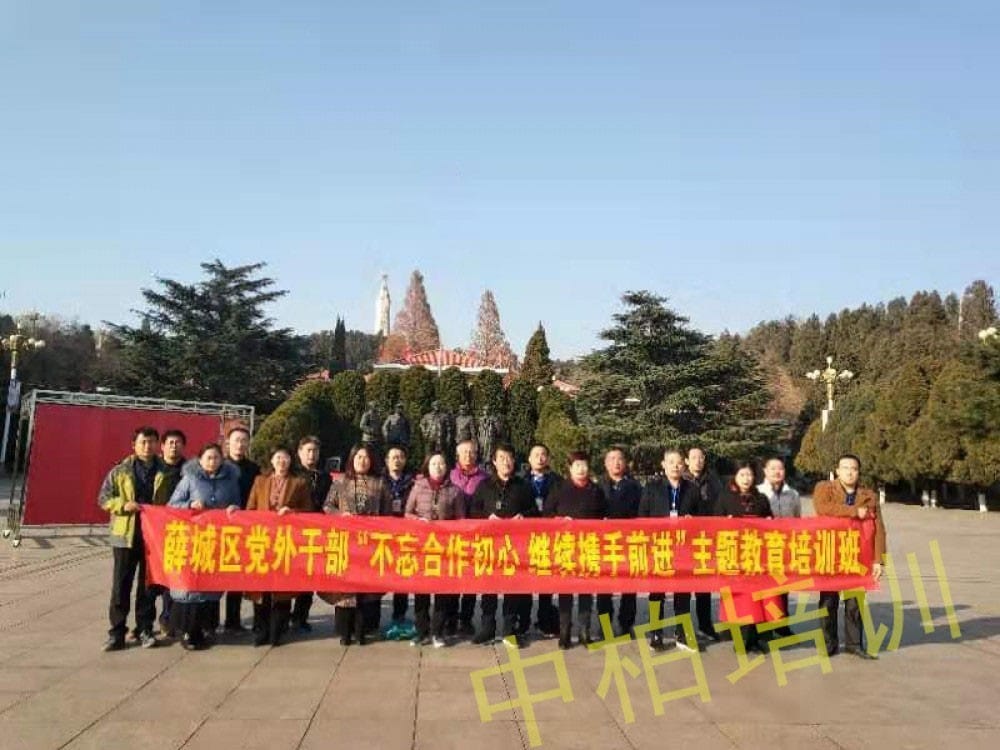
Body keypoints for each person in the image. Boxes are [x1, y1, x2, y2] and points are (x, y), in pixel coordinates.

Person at [98, 426, 171, 652]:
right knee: (121, 586)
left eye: (151, 442)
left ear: (157, 444)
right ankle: (117, 632)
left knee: (148, 587)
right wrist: (123, 505)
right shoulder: (120, 470)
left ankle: (145, 629)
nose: (147, 446)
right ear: (134, 445)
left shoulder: (165, 471)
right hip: (125, 536)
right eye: (143, 442)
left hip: (153, 537)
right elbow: (104, 498)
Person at [168, 443, 242, 650]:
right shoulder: (190, 479)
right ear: (199, 460)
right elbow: (172, 505)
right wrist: (189, 505)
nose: (212, 461)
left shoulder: (230, 480)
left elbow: (237, 504)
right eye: (208, 457)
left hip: (216, 539)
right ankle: (187, 631)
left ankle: (207, 628)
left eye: (216, 458)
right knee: (191, 586)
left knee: (211, 586)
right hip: (192, 540)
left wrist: (234, 508)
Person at [814, 454, 886, 660]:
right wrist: (854, 511)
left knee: (855, 602)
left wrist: (878, 560)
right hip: (830, 553)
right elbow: (823, 508)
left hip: (857, 555)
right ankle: (829, 644)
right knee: (828, 601)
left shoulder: (869, 496)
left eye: (854, 468)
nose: (849, 472)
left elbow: (879, 529)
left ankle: (854, 644)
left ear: (859, 472)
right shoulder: (824, 489)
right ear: (837, 471)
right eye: (845, 468)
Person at [469, 443, 538, 648]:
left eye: (509, 458)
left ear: (514, 461)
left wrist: (523, 516)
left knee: (512, 588)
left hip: (515, 546)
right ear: (494, 461)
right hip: (490, 545)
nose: (505, 462)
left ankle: (509, 630)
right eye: (501, 458)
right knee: (488, 587)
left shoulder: (523, 486)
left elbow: (535, 512)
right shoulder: (484, 486)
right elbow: (474, 511)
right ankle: (487, 627)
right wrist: (487, 517)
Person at [324, 444, 392, 645]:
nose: (362, 461)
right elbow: (327, 506)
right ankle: (345, 632)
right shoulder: (340, 482)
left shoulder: (379, 484)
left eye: (366, 457)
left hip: (369, 543)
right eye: (358, 457)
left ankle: (362, 630)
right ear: (352, 459)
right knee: (345, 589)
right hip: (346, 541)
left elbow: (387, 512)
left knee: (366, 587)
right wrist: (340, 514)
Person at [244, 447, 312, 646]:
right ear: (272, 461)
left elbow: (309, 511)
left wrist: (293, 512)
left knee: (282, 588)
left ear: (291, 461)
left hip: (285, 541)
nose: (282, 461)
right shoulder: (260, 481)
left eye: (285, 457)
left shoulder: (299, 483)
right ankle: (261, 630)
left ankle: (278, 630)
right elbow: (250, 509)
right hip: (263, 540)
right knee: (261, 589)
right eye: (278, 457)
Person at [638, 448, 701, 651]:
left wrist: (693, 520)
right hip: (659, 547)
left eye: (679, 462)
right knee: (657, 592)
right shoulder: (652, 488)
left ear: (684, 466)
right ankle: (655, 633)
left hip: (683, 548)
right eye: (671, 462)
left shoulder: (692, 489)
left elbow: (702, 518)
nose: (675, 466)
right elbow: (642, 516)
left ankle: (682, 633)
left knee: (683, 592)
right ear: (663, 465)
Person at [545, 451, 608, 649]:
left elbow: (604, 515)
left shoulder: (596, 491)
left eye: (584, 465)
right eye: (577, 465)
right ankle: (564, 631)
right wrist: (560, 521)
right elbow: (547, 513)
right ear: (570, 468)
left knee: (586, 592)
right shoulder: (560, 488)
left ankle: (584, 631)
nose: (581, 469)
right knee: (565, 591)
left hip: (588, 546)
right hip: (566, 546)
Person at [405, 451, 465, 648]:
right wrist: (419, 520)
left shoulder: (455, 491)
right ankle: (421, 632)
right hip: (422, 546)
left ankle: (437, 632)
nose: (437, 467)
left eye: (441, 464)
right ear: (427, 467)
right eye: (433, 464)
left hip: (445, 549)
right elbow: (407, 513)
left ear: (447, 467)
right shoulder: (418, 487)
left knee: (442, 593)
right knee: (421, 592)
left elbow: (461, 520)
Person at [716, 462, 775, 655]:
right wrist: (726, 524)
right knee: (739, 600)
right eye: (742, 475)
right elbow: (714, 524)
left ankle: (755, 639)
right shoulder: (725, 498)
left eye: (749, 475)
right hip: (734, 555)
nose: (746, 479)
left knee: (757, 598)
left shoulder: (761, 498)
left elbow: (771, 522)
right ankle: (741, 640)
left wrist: (769, 522)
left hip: (756, 555)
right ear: (735, 477)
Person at [212, 426, 260, 634]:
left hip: (244, 529)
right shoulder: (217, 465)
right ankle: (211, 622)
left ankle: (233, 621)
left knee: (236, 577)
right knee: (214, 578)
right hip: (218, 528)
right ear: (228, 443)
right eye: (236, 440)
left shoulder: (254, 469)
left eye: (244, 440)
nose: (240, 444)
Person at [596, 446, 642, 639]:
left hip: (629, 542)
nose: (616, 462)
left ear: (625, 463)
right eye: (612, 458)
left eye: (620, 458)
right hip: (604, 543)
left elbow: (642, 513)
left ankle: (626, 623)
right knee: (604, 587)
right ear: (605, 463)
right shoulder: (597, 486)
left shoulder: (635, 487)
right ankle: (604, 625)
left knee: (629, 586)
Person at [290, 435, 332, 631]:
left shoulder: (325, 477)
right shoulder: (292, 475)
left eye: (315, 451)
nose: (311, 455)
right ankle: (281, 616)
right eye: (308, 450)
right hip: (293, 532)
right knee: (290, 575)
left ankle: (300, 617)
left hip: (317, 533)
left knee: (309, 576)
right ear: (299, 453)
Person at [756, 456, 801, 637]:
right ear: (765, 471)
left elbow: (797, 519)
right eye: (773, 468)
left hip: (784, 548)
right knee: (765, 588)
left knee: (782, 588)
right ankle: (764, 626)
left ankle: (782, 625)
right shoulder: (758, 492)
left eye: (780, 468)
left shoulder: (793, 494)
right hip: (763, 548)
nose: (777, 472)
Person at [449, 439, 490, 636]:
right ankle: (450, 619)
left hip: (476, 536)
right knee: (452, 577)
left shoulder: (485, 479)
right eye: (464, 452)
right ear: (457, 455)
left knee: (471, 580)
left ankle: (466, 619)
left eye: (471, 452)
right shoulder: (450, 476)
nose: (468, 455)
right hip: (451, 536)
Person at [683, 446, 722, 643]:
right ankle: (682, 628)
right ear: (687, 461)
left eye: (700, 457)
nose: (697, 461)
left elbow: (720, 506)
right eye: (693, 457)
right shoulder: (681, 481)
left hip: (706, 540)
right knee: (682, 587)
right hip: (684, 541)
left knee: (704, 586)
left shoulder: (713, 481)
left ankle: (706, 625)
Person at [525, 443, 563, 637]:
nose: (540, 458)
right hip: (525, 537)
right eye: (536, 454)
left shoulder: (557, 481)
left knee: (546, 582)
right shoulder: (521, 480)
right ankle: (522, 622)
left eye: (543, 455)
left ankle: (545, 620)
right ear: (529, 459)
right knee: (524, 580)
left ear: (547, 458)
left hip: (549, 537)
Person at [155, 429, 187, 637]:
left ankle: (170, 619)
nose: (174, 446)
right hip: (155, 530)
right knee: (151, 581)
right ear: (163, 446)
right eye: (170, 443)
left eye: (178, 443)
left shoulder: (190, 470)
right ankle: (143, 626)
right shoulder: (154, 468)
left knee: (175, 579)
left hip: (180, 532)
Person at [384, 444, 416, 634]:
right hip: (383, 535)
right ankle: (371, 616)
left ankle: (399, 615)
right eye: (393, 457)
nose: (397, 460)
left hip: (405, 536)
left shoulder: (412, 483)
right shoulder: (379, 481)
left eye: (400, 456)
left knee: (402, 578)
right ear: (387, 460)